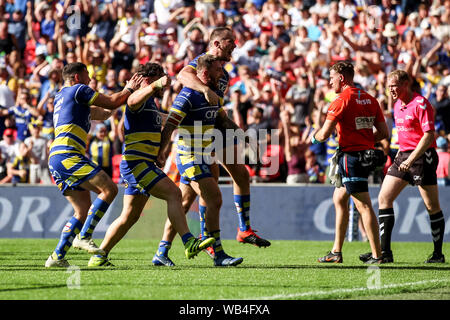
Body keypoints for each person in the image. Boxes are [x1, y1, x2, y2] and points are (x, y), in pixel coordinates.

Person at [87, 62, 215, 267]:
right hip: (137, 163)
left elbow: (165, 119)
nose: (164, 82)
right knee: (174, 194)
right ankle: (188, 241)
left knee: (130, 216)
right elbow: (131, 100)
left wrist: (184, 121)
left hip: (142, 163)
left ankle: (99, 255)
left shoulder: (151, 103)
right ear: (149, 80)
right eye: (160, 77)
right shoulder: (138, 98)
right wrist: (154, 86)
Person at [175, 26, 271, 250]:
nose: (235, 45)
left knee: (241, 174)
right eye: (231, 41)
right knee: (195, 193)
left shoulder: (225, 73)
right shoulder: (201, 61)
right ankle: (200, 237)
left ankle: (244, 229)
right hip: (197, 131)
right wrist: (204, 90)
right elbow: (182, 75)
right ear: (217, 43)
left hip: (216, 126)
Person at [44, 62, 143, 267]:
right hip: (68, 154)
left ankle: (56, 256)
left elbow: (106, 111)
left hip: (56, 157)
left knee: (82, 210)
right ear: (78, 77)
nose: (90, 79)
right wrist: (129, 89)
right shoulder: (79, 89)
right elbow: (112, 101)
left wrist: (124, 100)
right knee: (109, 189)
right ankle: (85, 236)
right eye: (87, 75)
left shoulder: (64, 97)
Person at [154, 54, 243, 267]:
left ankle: (161, 251)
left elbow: (221, 118)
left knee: (184, 204)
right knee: (214, 198)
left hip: (204, 154)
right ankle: (218, 254)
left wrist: (243, 136)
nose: (222, 74)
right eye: (218, 71)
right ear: (204, 73)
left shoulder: (213, 95)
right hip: (189, 157)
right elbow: (170, 126)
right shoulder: (186, 97)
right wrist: (162, 152)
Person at [360, 70, 446, 264]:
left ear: (406, 84)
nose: (391, 90)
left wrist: (412, 158)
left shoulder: (421, 104)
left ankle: (438, 254)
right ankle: (384, 252)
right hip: (403, 155)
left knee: (431, 206)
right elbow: (405, 135)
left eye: (394, 86)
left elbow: (429, 135)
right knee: (384, 197)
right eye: (389, 86)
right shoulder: (398, 104)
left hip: (423, 156)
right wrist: (400, 155)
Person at [312, 61, 389, 264]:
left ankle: (377, 255)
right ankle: (336, 251)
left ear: (342, 78)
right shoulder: (371, 99)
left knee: (363, 205)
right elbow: (383, 133)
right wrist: (364, 140)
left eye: (331, 78)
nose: (329, 82)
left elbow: (325, 133)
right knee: (339, 199)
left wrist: (314, 136)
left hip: (351, 158)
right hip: (365, 155)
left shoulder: (340, 101)